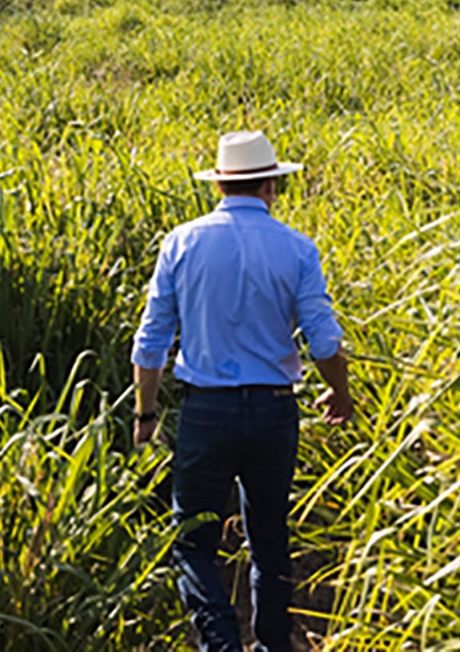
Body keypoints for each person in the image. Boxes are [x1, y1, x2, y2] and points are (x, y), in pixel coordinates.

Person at [131, 129, 356, 652]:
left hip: (205, 410)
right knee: (271, 540)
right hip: (275, 411)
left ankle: (220, 642)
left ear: (220, 185)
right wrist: (340, 395)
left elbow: (151, 343)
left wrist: (146, 414)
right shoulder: (298, 249)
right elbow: (324, 339)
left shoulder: (181, 242)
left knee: (192, 543)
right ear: (272, 186)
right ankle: (274, 644)